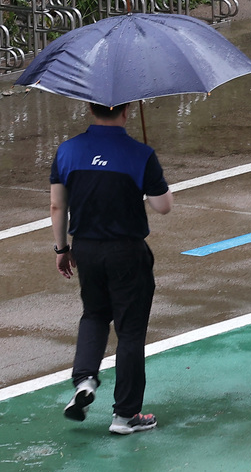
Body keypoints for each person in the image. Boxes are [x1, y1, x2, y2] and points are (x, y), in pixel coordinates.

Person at [50, 102, 173, 434]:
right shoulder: (140, 153)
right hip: (127, 253)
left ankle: (85, 380)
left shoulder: (67, 151)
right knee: (130, 331)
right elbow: (163, 206)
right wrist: (150, 177)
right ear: (127, 111)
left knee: (93, 314)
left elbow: (57, 205)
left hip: (86, 250)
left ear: (90, 109)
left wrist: (62, 248)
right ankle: (125, 415)